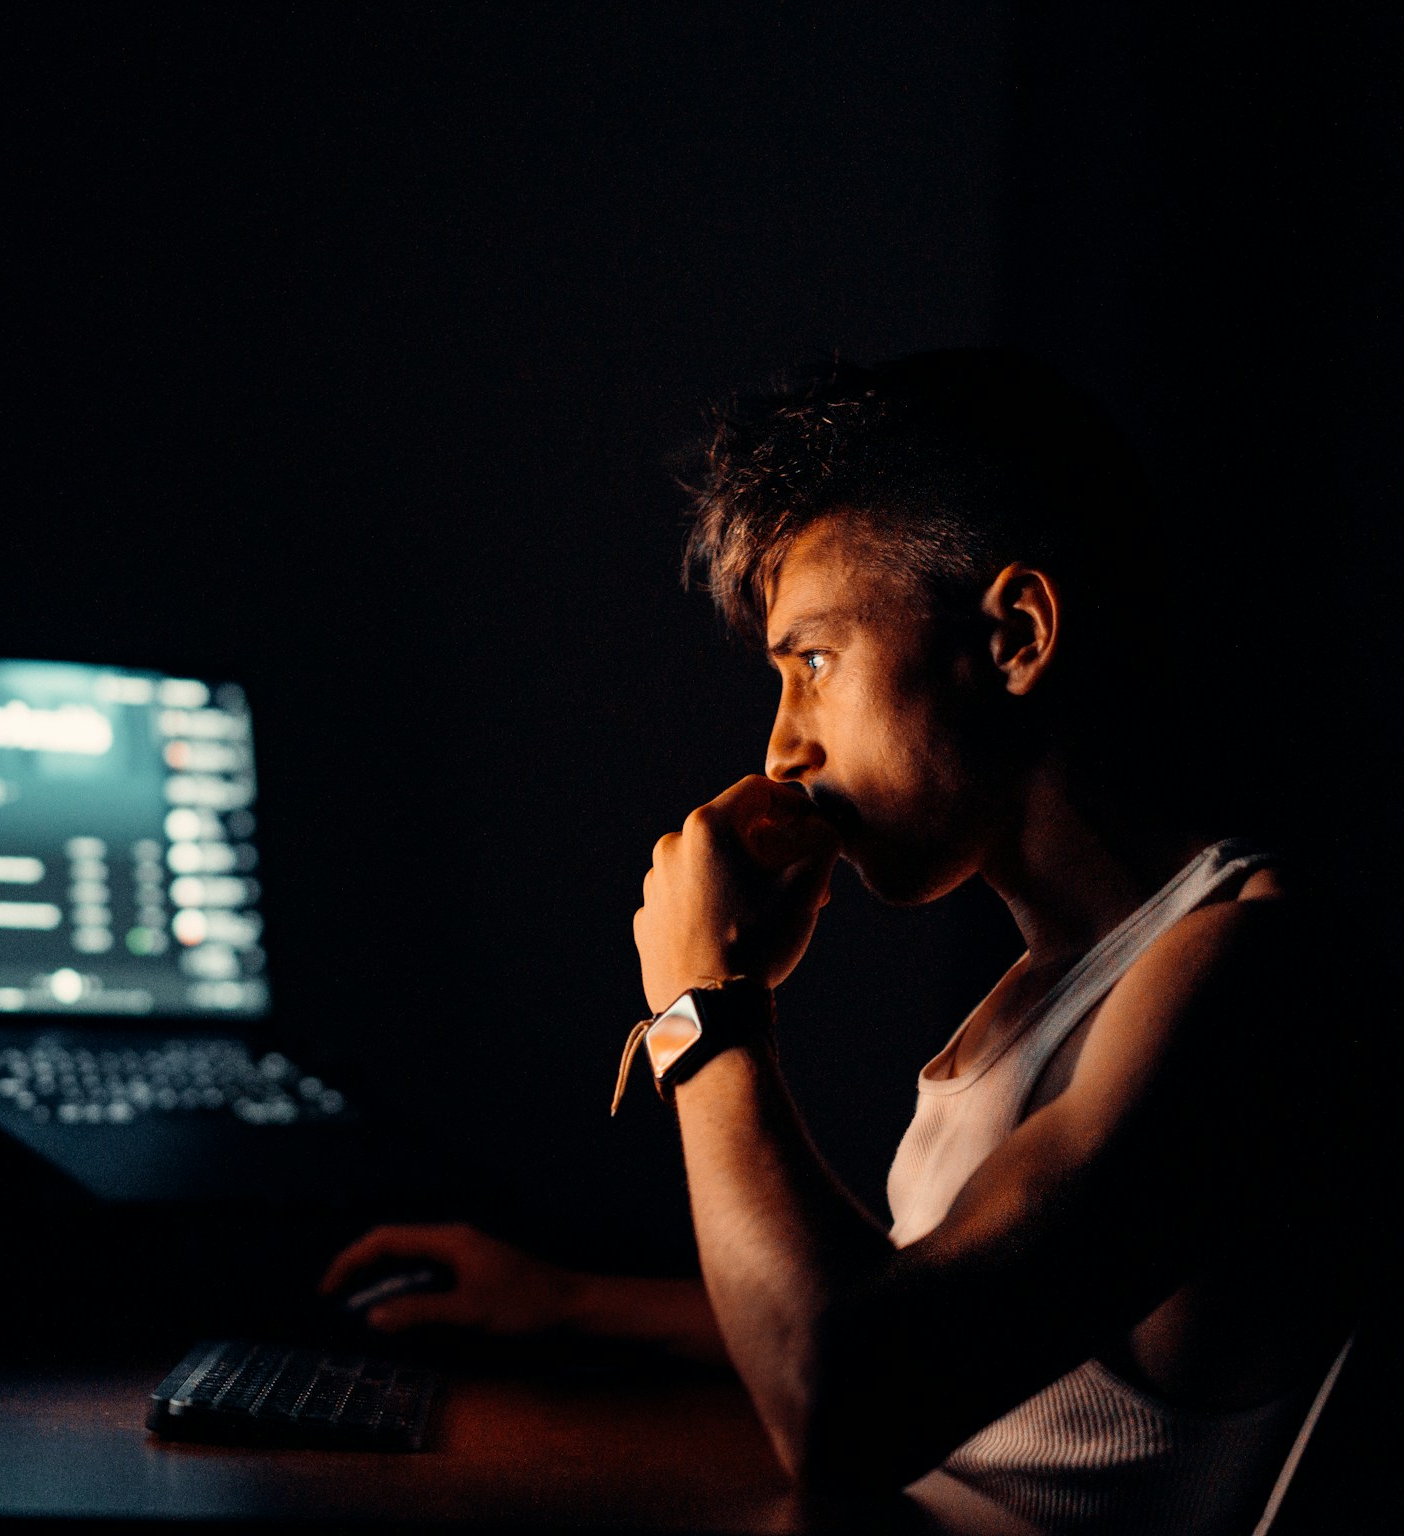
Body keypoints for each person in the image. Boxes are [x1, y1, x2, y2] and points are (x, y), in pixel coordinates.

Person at [322, 352, 1368, 1534]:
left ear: (1017, 636)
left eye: (812, 664)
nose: (779, 751)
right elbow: (933, 1318)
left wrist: (703, 1009)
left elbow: (844, 1401)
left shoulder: (1242, 972)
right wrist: (561, 1300)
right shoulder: (1071, 978)